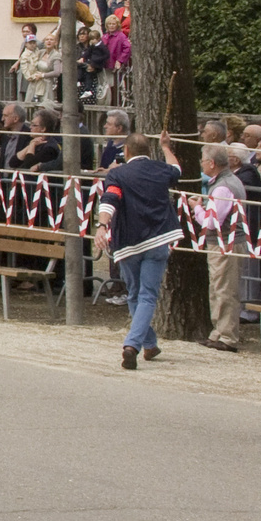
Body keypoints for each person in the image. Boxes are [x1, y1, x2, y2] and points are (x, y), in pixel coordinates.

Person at [94, 131, 182, 369]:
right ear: (149, 152)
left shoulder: (117, 174)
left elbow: (110, 200)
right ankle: (143, 344)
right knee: (146, 295)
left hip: (128, 242)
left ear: (127, 152)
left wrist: (102, 225)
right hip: (157, 240)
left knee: (135, 294)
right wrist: (166, 147)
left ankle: (135, 343)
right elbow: (177, 170)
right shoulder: (160, 170)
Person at [197, 144, 246, 352]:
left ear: (212, 163)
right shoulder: (227, 181)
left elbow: (212, 222)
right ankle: (218, 331)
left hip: (226, 242)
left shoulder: (224, 186)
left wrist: (197, 208)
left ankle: (227, 335)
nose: (201, 164)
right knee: (218, 287)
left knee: (224, 289)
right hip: (224, 242)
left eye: (202, 160)